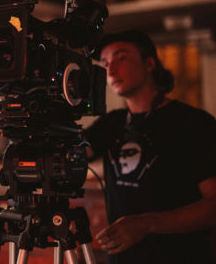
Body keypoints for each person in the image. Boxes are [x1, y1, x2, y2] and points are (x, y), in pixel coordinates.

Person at [84, 29, 216, 264]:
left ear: (149, 63)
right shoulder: (111, 123)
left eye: (120, 58)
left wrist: (147, 224)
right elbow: (72, 153)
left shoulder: (193, 123)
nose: (111, 70)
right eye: (105, 64)